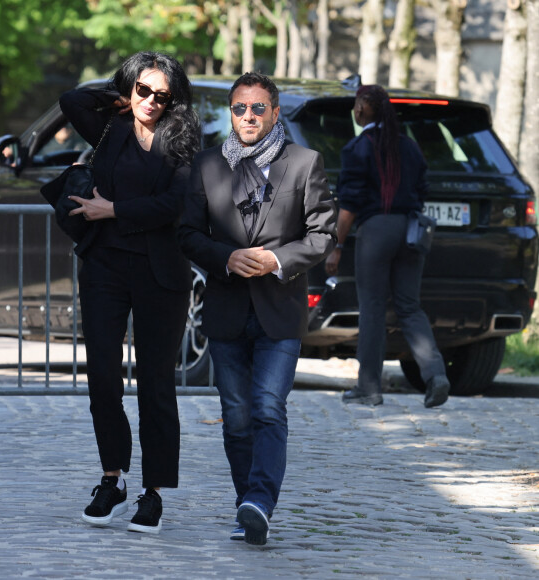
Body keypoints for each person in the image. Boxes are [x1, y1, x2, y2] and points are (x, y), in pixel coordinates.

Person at [179, 72, 336, 545]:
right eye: (239, 109)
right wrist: (224, 256)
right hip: (226, 309)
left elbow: (323, 235)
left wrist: (276, 259)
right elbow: (187, 235)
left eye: (258, 108)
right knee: (237, 414)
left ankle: (259, 502)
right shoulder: (206, 166)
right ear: (231, 113)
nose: (248, 117)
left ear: (275, 112)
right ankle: (246, 503)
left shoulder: (305, 163)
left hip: (280, 311)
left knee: (268, 407)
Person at [59, 51, 200, 533]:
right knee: (102, 377)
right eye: (143, 90)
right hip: (104, 267)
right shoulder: (111, 127)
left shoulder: (181, 140)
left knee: (155, 384)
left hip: (160, 273)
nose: (151, 102)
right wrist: (118, 91)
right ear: (131, 88)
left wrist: (114, 210)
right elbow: (70, 98)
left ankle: (154, 492)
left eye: (163, 95)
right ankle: (111, 478)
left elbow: (173, 204)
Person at [325, 84, 450, 409]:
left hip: (376, 230)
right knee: (410, 306)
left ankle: (369, 388)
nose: (355, 110)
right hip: (410, 229)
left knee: (373, 308)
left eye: (357, 104)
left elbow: (349, 206)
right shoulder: (408, 146)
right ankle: (435, 374)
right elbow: (423, 188)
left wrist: (336, 247)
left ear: (366, 107)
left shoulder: (358, 148)